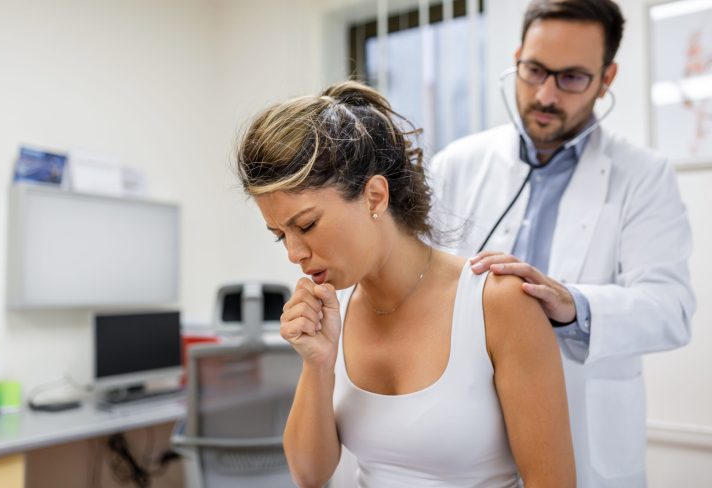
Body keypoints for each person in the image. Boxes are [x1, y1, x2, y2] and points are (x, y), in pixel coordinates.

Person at [235, 81, 575, 487]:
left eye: (306, 225)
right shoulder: (333, 312)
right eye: (280, 234)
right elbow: (309, 474)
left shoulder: (497, 303)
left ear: (375, 196)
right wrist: (318, 363)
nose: (293, 253)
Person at [427, 1, 696, 486]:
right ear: (517, 57)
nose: (546, 94)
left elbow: (672, 308)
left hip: (585, 431)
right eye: (534, 71)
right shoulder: (457, 164)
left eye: (571, 77)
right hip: (468, 431)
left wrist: (575, 304)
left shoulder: (643, 175)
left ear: (606, 77)